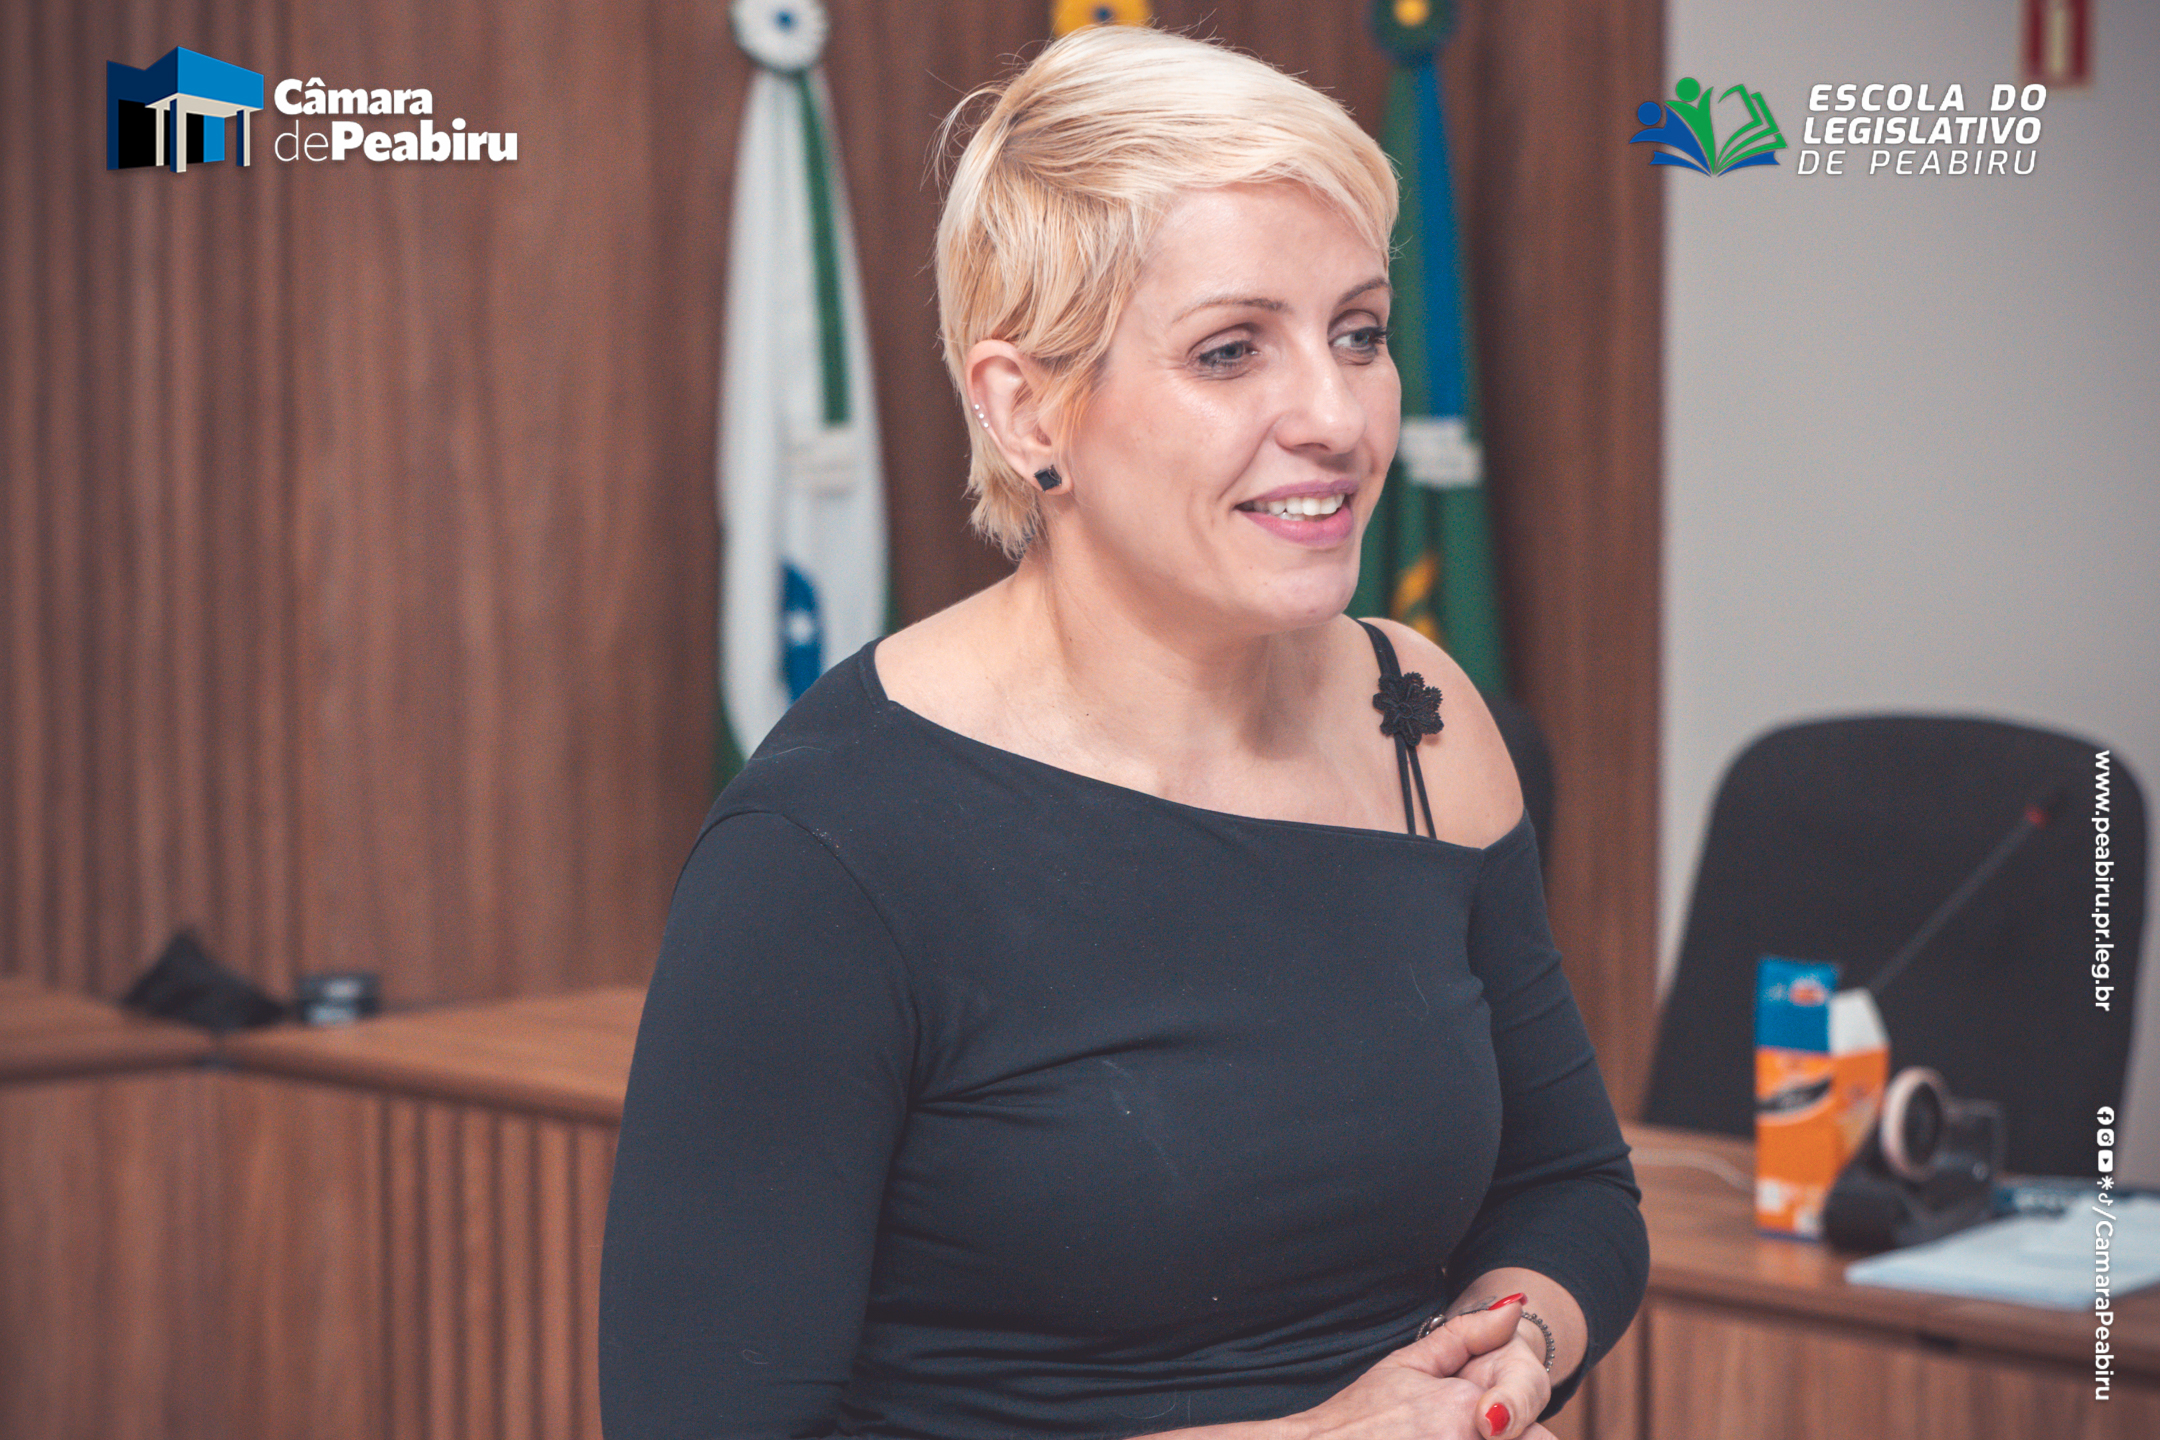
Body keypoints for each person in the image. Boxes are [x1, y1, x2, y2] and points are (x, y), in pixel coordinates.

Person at [601, 25, 1647, 1440]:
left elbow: (1568, 1187)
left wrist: (1505, 1357)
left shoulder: (1422, 721)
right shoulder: (826, 844)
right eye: (1231, 350)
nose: (1336, 416)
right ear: (1027, 407)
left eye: (1358, 333)